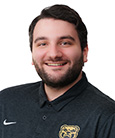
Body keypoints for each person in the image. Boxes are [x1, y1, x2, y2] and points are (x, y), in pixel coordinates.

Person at [0, 4, 115, 138]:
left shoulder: (107, 117)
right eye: (43, 44)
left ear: (84, 52)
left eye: (65, 43)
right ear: (32, 54)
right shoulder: (5, 102)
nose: (54, 54)